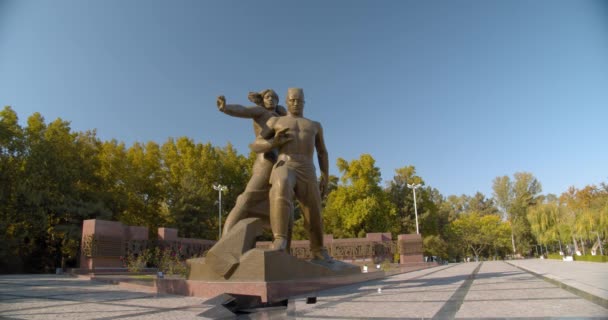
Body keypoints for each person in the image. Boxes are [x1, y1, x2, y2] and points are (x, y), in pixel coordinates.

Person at [251, 88, 331, 261]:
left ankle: (318, 249)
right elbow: (256, 145)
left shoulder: (314, 125)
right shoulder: (276, 121)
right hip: (285, 163)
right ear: (286, 102)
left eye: (299, 101)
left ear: (304, 102)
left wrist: (326, 176)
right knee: (282, 183)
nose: (295, 103)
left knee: (314, 209)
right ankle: (279, 239)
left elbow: (322, 152)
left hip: (308, 168)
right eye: (292, 100)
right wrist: (274, 142)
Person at [216, 89, 289, 236]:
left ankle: (280, 244)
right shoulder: (261, 112)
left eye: (274, 98)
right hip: (265, 160)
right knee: (247, 197)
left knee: (279, 204)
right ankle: (225, 240)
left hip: (279, 163)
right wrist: (226, 108)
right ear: (262, 99)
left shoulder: (280, 116)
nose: (271, 99)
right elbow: (243, 110)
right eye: (267, 97)